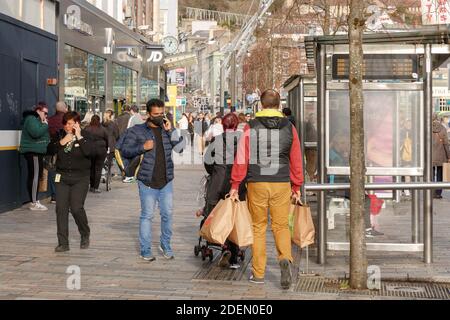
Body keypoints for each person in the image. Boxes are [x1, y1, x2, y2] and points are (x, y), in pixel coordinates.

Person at [229, 89, 303, 289]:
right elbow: (296, 159)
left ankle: (258, 273)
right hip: (281, 182)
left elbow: (242, 158)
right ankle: (285, 258)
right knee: (280, 226)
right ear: (279, 105)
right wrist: (297, 185)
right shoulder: (290, 127)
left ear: (261, 105)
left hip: (257, 181)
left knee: (258, 227)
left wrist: (235, 184)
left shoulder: (250, 127)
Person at [120, 99, 183, 261]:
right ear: (148, 114)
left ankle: (165, 244)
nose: (159, 117)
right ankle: (145, 249)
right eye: (156, 114)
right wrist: (143, 147)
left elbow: (180, 148)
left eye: (161, 114)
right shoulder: (137, 131)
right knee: (147, 216)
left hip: (166, 180)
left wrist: (171, 131)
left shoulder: (166, 128)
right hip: (147, 181)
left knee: (167, 214)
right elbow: (125, 150)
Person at [203, 113, 246, 269]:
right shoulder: (243, 140)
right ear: (236, 125)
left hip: (217, 184)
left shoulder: (217, 140)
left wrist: (215, 171)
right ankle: (233, 255)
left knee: (217, 214)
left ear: (223, 125)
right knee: (235, 218)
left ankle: (223, 245)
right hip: (238, 185)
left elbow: (207, 162)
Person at [47, 111, 93, 252]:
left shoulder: (86, 136)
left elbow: (89, 152)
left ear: (77, 123)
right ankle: (63, 243)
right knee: (60, 209)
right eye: (66, 123)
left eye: (71, 123)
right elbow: (49, 149)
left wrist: (78, 137)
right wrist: (62, 141)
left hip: (81, 178)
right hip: (62, 177)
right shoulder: (60, 135)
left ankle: (85, 233)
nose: (68, 126)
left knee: (76, 208)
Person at [19, 102, 50, 211]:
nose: (46, 116)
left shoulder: (38, 120)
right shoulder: (31, 119)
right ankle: (33, 202)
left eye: (47, 114)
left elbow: (45, 136)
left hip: (37, 151)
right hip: (33, 152)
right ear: (38, 111)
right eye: (44, 113)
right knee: (35, 177)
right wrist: (45, 124)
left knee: (35, 176)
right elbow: (36, 133)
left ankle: (35, 200)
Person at [47, 101, 68, 203]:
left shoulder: (49, 120)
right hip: (65, 151)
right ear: (65, 109)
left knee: (54, 172)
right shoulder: (67, 121)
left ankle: (54, 195)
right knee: (63, 172)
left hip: (53, 151)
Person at [85, 115, 109, 193]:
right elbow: (107, 140)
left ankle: (91, 186)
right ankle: (96, 187)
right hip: (101, 150)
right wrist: (106, 148)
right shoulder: (103, 129)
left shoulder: (87, 129)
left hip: (90, 150)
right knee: (98, 169)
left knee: (91, 168)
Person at [432, 113, 450, 199]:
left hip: (430, 156)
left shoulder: (427, 128)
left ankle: (430, 191)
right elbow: (446, 144)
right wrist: (448, 155)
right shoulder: (443, 129)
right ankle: (438, 193)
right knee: (439, 174)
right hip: (441, 155)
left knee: (430, 174)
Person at [102, 109, 120, 174]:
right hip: (111, 144)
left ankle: (103, 171)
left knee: (103, 158)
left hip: (103, 144)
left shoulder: (102, 123)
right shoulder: (113, 124)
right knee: (109, 160)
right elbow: (117, 135)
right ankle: (108, 172)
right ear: (112, 116)